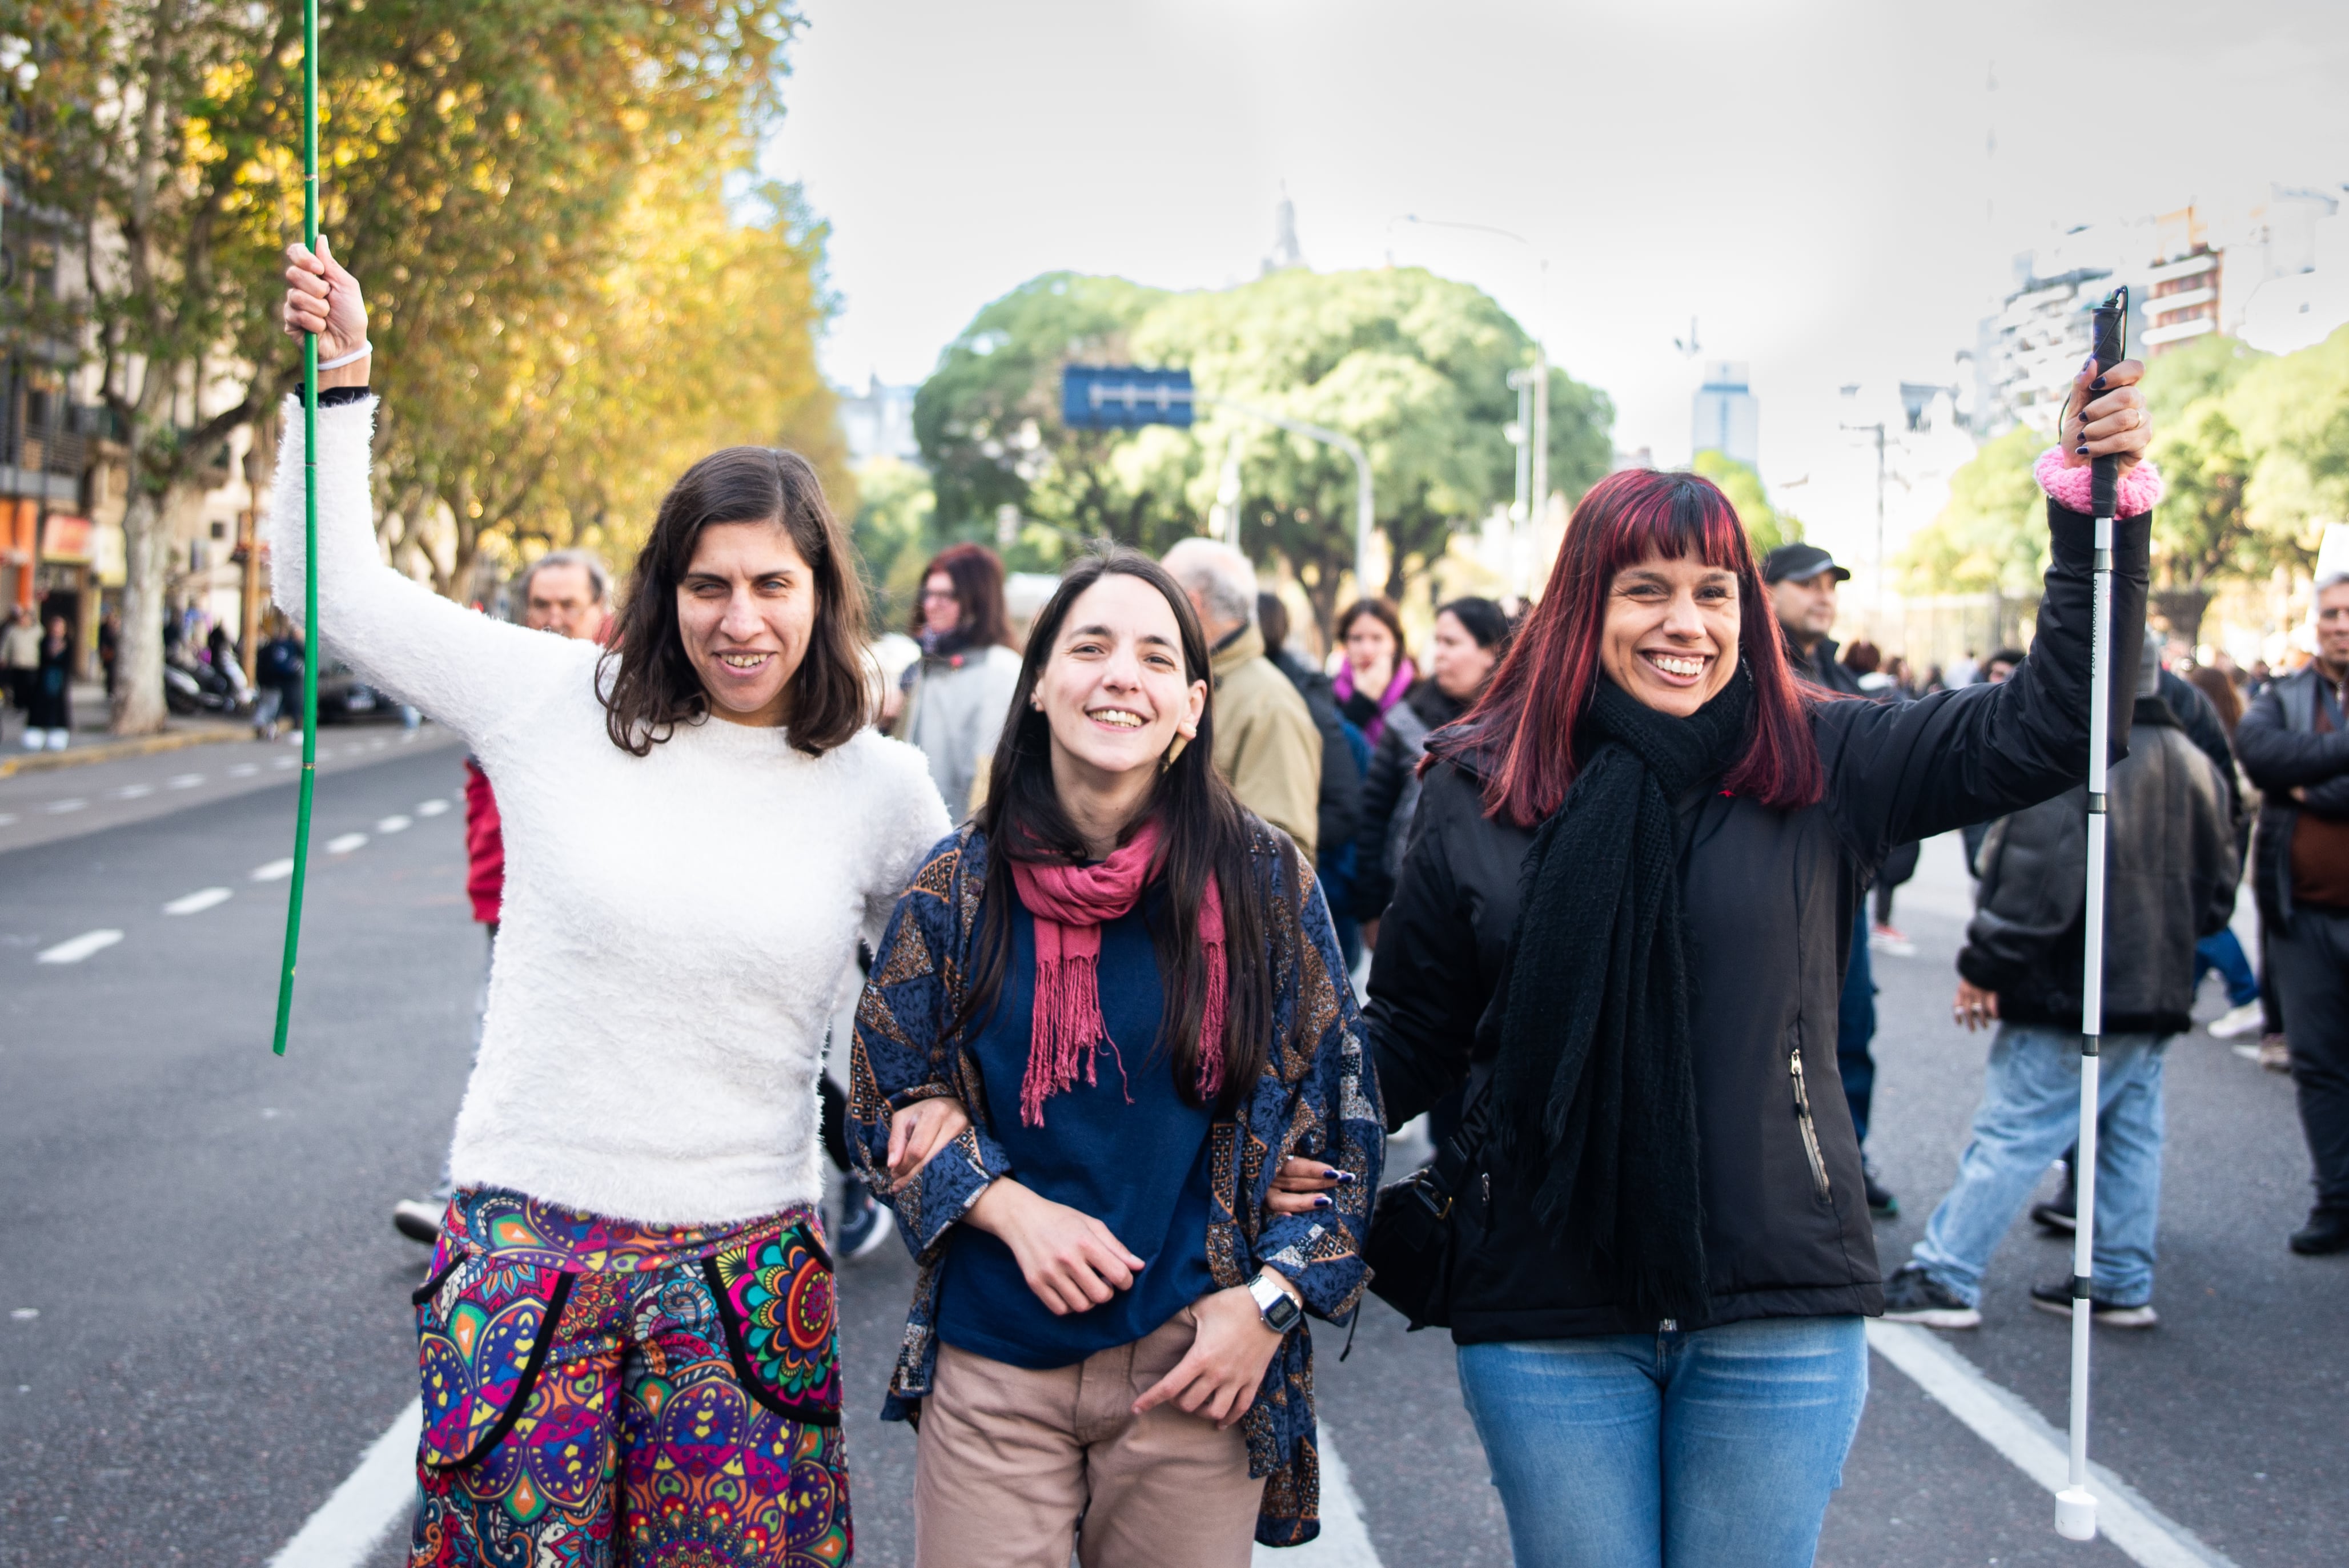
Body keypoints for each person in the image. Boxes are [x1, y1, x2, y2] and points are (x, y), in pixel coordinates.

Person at [1346, 355, 2157, 1567]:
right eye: (1646, 590)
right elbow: (1407, 1030)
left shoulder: (1824, 758)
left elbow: (2061, 721)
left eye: (1715, 591)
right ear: (1582, 605)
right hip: (1543, 1299)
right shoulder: (1479, 782)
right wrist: (1276, 1132)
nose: (1686, 622)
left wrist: (2092, 518)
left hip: (1777, 1300)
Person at [280, 236, 948, 1562]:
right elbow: (331, 590)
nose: (740, 617)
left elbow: (979, 983)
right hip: (523, 1254)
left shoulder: (883, 787)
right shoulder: (552, 703)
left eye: (773, 584)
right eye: (709, 583)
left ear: (822, 598)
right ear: (664, 591)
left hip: (749, 1276)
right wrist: (342, 373)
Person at [850, 548, 1379, 1566]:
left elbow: (1348, 1139)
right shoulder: (958, 886)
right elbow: (879, 1100)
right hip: (996, 1365)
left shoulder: (1267, 885)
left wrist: (1263, 1309)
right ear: (1040, 682)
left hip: (1195, 1368)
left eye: (1152, 656)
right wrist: (1010, 1206)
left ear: (1188, 704)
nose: (1118, 675)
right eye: (1088, 647)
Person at [1883, 630, 2235, 1330]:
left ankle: (1947, 1272)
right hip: (2158, 983)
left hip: (2071, 987)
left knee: (2015, 1126)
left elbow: (2033, 882)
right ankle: (2121, 1277)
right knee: (2131, 1132)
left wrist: (1986, 967)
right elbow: (2219, 894)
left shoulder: (2077, 759)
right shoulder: (2197, 762)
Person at [389, 549, 615, 1247]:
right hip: (509, 900)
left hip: (600, 906)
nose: (551, 618)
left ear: (600, 613)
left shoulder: (626, 685)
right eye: (540, 605)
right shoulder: (497, 679)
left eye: (566, 605)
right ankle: (465, 1193)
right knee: (501, 1038)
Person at [1763, 541, 1898, 1216]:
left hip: (1845, 894)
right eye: (1806, 583)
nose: (1822, 595)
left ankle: (1850, 1159)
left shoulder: (1840, 677)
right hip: (1777, 890)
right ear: (1769, 592)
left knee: (1852, 1031)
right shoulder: (1749, 669)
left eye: (1830, 585)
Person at [2234, 568, 2349, 1255]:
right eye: (2330, 613)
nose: (2340, 623)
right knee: (2318, 1065)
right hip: (2300, 917)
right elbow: (2262, 755)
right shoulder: (2282, 693)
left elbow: (2288, 772)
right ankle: (2337, 1199)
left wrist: (2308, 784)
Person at [1352, 595, 1510, 946]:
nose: (1439, 653)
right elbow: (1373, 818)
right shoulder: (1407, 720)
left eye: (1451, 643)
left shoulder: (1517, 729)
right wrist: (1370, 909)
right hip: (1410, 902)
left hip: (1491, 915)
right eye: (1437, 641)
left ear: (1491, 652)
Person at [1160, 538, 1320, 857]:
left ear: (1191, 605)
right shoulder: (1181, 679)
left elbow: (1284, 853)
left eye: (1161, 595)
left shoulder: (1270, 703)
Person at [1256, 592, 1364, 961]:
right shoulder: (1260, 689)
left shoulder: (1291, 698)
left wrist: (1288, 847)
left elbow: (1346, 806)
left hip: (1319, 895)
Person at [894, 542, 1023, 818]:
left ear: (978, 601)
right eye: (928, 594)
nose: (931, 606)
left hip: (969, 844)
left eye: (946, 596)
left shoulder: (1001, 670)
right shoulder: (920, 670)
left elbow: (988, 780)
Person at [1332, 596, 1414, 745]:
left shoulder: (1418, 692)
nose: (1367, 650)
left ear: (1395, 643)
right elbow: (1336, 748)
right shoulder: (1330, 694)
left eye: (1377, 639)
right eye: (1357, 639)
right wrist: (1363, 699)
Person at [24, 614, 74, 750]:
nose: (57, 630)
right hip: (44, 679)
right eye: (55, 627)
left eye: (60, 628)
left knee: (58, 708)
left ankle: (58, 735)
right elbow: (42, 660)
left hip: (59, 681)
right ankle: (36, 734)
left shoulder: (68, 644)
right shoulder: (44, 642)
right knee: (40, 706)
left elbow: (67, 664)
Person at [3, 604, 39, 736]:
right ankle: (19, 706)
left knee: (30, 687)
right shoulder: (13, 631)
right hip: (17, 664)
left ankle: (28, 707)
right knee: (18, 687)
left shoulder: (37, 631)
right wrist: (4, 658)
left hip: (32, 665)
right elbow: (6, 646)